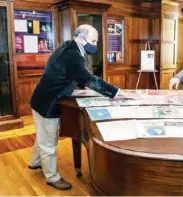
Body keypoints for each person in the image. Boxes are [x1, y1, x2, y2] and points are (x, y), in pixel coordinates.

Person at [29, 24, 136, 190]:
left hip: (40, 99)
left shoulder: (68, 46)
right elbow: (90, 79)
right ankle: (52, 177)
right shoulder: (72, 55)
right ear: (80, 38)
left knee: (42, 135)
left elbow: (73, 75)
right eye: (93, 41)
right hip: (47, 103)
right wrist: (117, 92)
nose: (95, 45)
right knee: (48, 142)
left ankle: (35, 162)